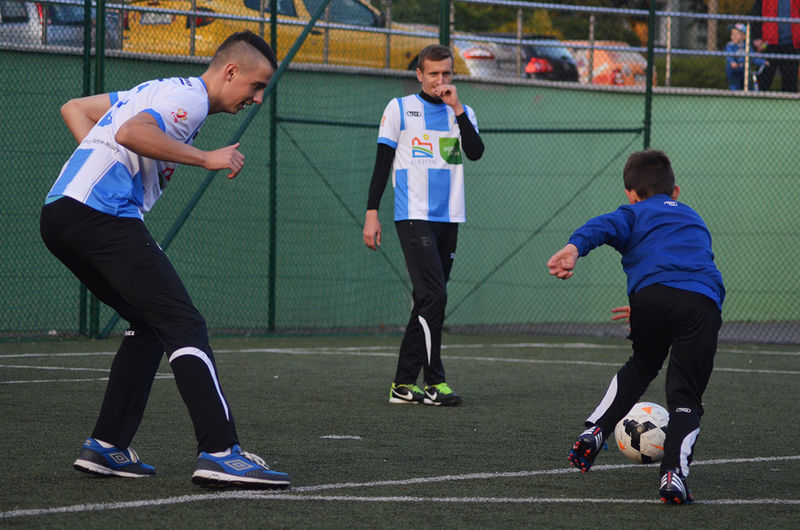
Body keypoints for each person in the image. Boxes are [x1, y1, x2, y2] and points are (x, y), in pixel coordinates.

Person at [40, 31, 290, 489]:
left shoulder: (150, 91)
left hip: (61, 214)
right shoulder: (190, 98)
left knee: (150, 323)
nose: (256, 98)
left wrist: (106, 163)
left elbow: (75, 108)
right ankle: (220, 452)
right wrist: (206, 158)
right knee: (184, 322)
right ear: (230, 72)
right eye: (255, 86)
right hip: (99, 216)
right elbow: (131, 132)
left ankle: (107, 445)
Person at [546, 149, 725, 505]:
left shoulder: (633, 212)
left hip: (651, 299)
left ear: (630, 194)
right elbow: (691, 267)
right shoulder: (695, 218)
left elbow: (603, 226)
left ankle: (595, 430)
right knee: (685, 397)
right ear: (676, 191)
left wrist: (573, 248)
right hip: (701, 303)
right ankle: (674, 476)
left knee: (642, 364)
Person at [362, 44, 484, 407]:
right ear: (420, 75)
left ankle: (402, 385)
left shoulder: (463, 113)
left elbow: (475, 152)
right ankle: (434, 383)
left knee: (427, 300)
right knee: (435, 296)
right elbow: (382, 162)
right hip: (413, 215)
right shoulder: (399, 108)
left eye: (447, 74)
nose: (440, 81)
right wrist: (372, 212)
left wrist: (457, 109)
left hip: (450, 217)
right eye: (434, 74)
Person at [749, 0, 800, 92]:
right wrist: (756, 37)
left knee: (790, 84)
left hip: (792, 45)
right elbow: (756, 14)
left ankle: (788, 105)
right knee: (763, 82)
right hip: (768, 44)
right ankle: (758, 104)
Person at [725, 22, 767, 90]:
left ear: (744, 36)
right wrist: (732, 62)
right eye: (732, 34)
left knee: (748, 87)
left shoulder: (746, 46)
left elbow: (753, 57)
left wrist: (763, 62)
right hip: (733, 73)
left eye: (737, 34)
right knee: (734, 87)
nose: (734, 36)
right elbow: (729, 56)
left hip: (744, 72)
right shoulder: (730, 45)